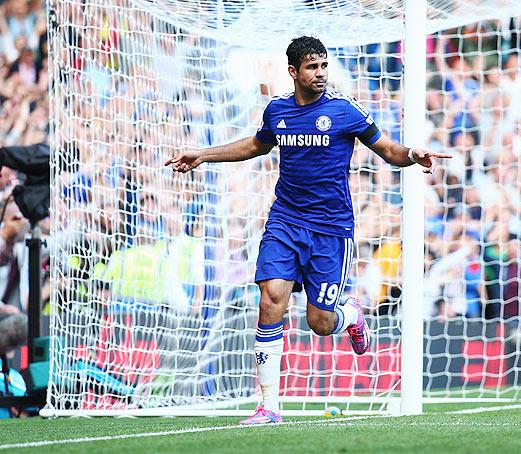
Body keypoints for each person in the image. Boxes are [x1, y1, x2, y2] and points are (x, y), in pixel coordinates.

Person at [165, 36, 450, 425]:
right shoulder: (278, 110)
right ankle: (269, 407)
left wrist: (413, 155)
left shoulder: (344, 110)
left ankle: (349, 315)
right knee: (270, 301)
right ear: (293, 71)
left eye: (324, 66)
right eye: (312, 67)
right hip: (285, 221)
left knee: (319, 323)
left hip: (331, 230)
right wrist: (203, 154)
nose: (320, 73)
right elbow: (256, 145)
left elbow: (388, 150)